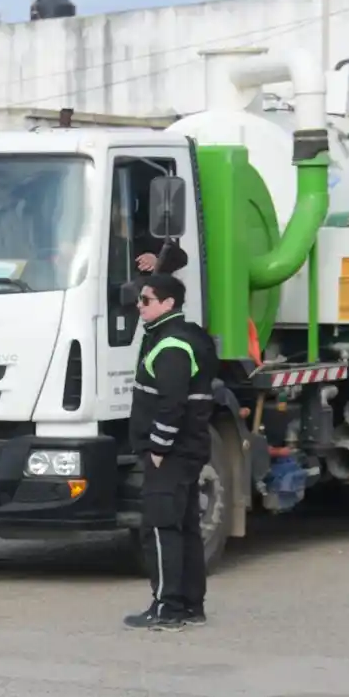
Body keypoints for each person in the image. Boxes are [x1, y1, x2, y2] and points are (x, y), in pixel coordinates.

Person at [123, 265, 219, 631]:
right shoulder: (180, 335)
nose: (139, 306)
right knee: (184, 526)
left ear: (168, 303)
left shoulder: (172, 344)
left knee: (161, 528)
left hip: (172, 452)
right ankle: (191, 605)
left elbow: (172, 402)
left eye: (146, 300)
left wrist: (159, 447)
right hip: (188, 449)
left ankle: (167, 607)